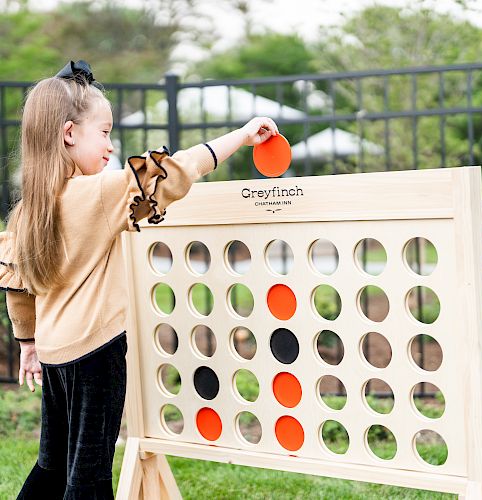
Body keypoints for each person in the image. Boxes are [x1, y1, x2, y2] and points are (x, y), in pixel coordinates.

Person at [0, 60, 278, 499]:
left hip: (54, 355)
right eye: (104, 132)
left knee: (52, 465)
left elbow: (16, 283)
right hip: (95, 353)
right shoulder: (96, 193)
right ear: (69, 133)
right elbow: (175, 170)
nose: (110, 145)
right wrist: (242, 136)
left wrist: (28, 343)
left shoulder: (29, 207)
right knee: (88, 475)